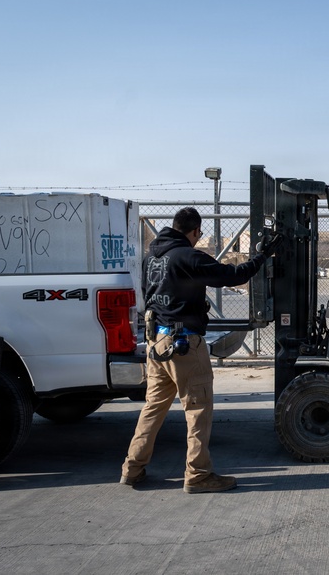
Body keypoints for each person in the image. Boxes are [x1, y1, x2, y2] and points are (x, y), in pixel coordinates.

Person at [121, 207, 279, 493]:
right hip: (184, 347)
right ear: (194, 231)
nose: (198, 238)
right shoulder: (188, 256)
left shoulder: (151, 258)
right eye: (199, 234)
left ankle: (132, 468)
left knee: (153, 409)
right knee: (197, 410)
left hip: (157, 343)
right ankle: (198, 475)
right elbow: (232, 275)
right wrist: (262, 256)